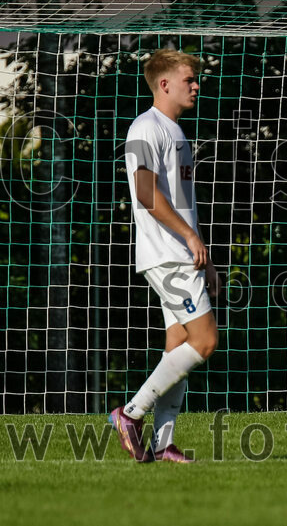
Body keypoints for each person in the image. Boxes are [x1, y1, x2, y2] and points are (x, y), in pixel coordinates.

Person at [108, 49, 220, 463]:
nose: (196, 86)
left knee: (177, 346)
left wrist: (204, 256)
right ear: (164, 84)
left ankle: (163, 443)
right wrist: (188, 238)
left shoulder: (176, 131)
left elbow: (184, 203)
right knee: (205, 341)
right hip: (166, 254)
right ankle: (130, 413)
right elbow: (145, 192)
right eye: (189, 79)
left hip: (182, 254)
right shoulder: (145, 128)